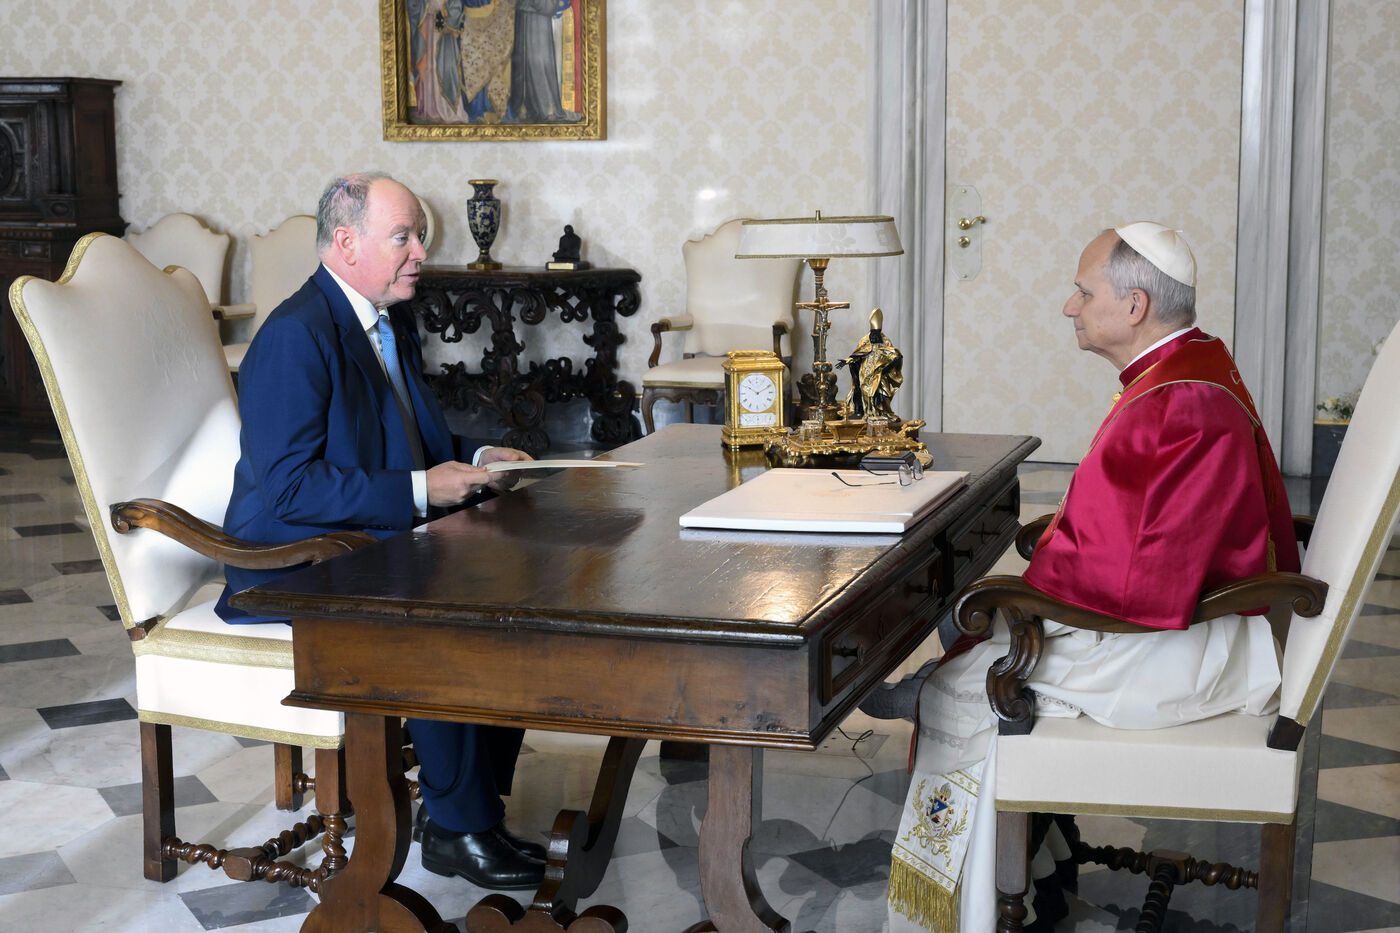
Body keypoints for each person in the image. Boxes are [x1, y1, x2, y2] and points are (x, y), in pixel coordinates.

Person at [872, 222, 1299, 931]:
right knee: (976, 636)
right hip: (1194, 622)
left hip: (1180, 652)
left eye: (1083, 291)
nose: (1070, 306)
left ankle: (950, 913)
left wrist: (1019, 592)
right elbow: (1139, 538)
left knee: (957, 692)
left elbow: (1139, 578)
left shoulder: (1178, 404)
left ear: (1134, 306)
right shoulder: (1187, 367)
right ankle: (1037, 861)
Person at [219, 172, 546, 891]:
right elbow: (289, 489)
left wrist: (479, 457)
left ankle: (470, 808)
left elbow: (406, 438)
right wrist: (422, 490)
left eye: (418, 236)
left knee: (512, 584)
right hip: (290, 557)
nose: (421, 251)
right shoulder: (296, 335)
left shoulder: (385, 319)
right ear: (346, 242)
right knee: (444, 605)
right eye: (403, 237)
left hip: (363, 532)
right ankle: (459, 828)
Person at [840, 307, 903, 420]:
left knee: (881, 392)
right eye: (873, 333)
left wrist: (895, 361)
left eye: (877, 333)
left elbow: (892, 354)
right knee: (865, 391)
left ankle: (881, 412)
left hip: (879, 373)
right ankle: (868, 413)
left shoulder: (885, 341)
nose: (874, 335)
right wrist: (848, 360)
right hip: (865, 372)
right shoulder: (865, 340)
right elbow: (858, 353)